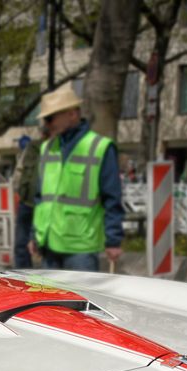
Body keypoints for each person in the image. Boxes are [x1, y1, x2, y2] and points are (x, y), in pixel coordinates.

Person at [27, 87, 123, 272]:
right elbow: (40, 198)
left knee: (78, 301)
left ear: (72, 114)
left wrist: (113, 240)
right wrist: (34, 235)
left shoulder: (100, 147)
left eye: (50, 118)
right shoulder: (47, 148)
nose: (47, 124)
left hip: (80, 248)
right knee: (50, 300)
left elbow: (112, 198)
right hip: (48, 243)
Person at [11, 126, 48, 268]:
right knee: (21, 245)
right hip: (26, 202)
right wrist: (18, 191)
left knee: (43, 246)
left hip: (44, 204)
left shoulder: (58, 149)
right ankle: (22, 278)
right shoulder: (32, 147)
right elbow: (19, 171)